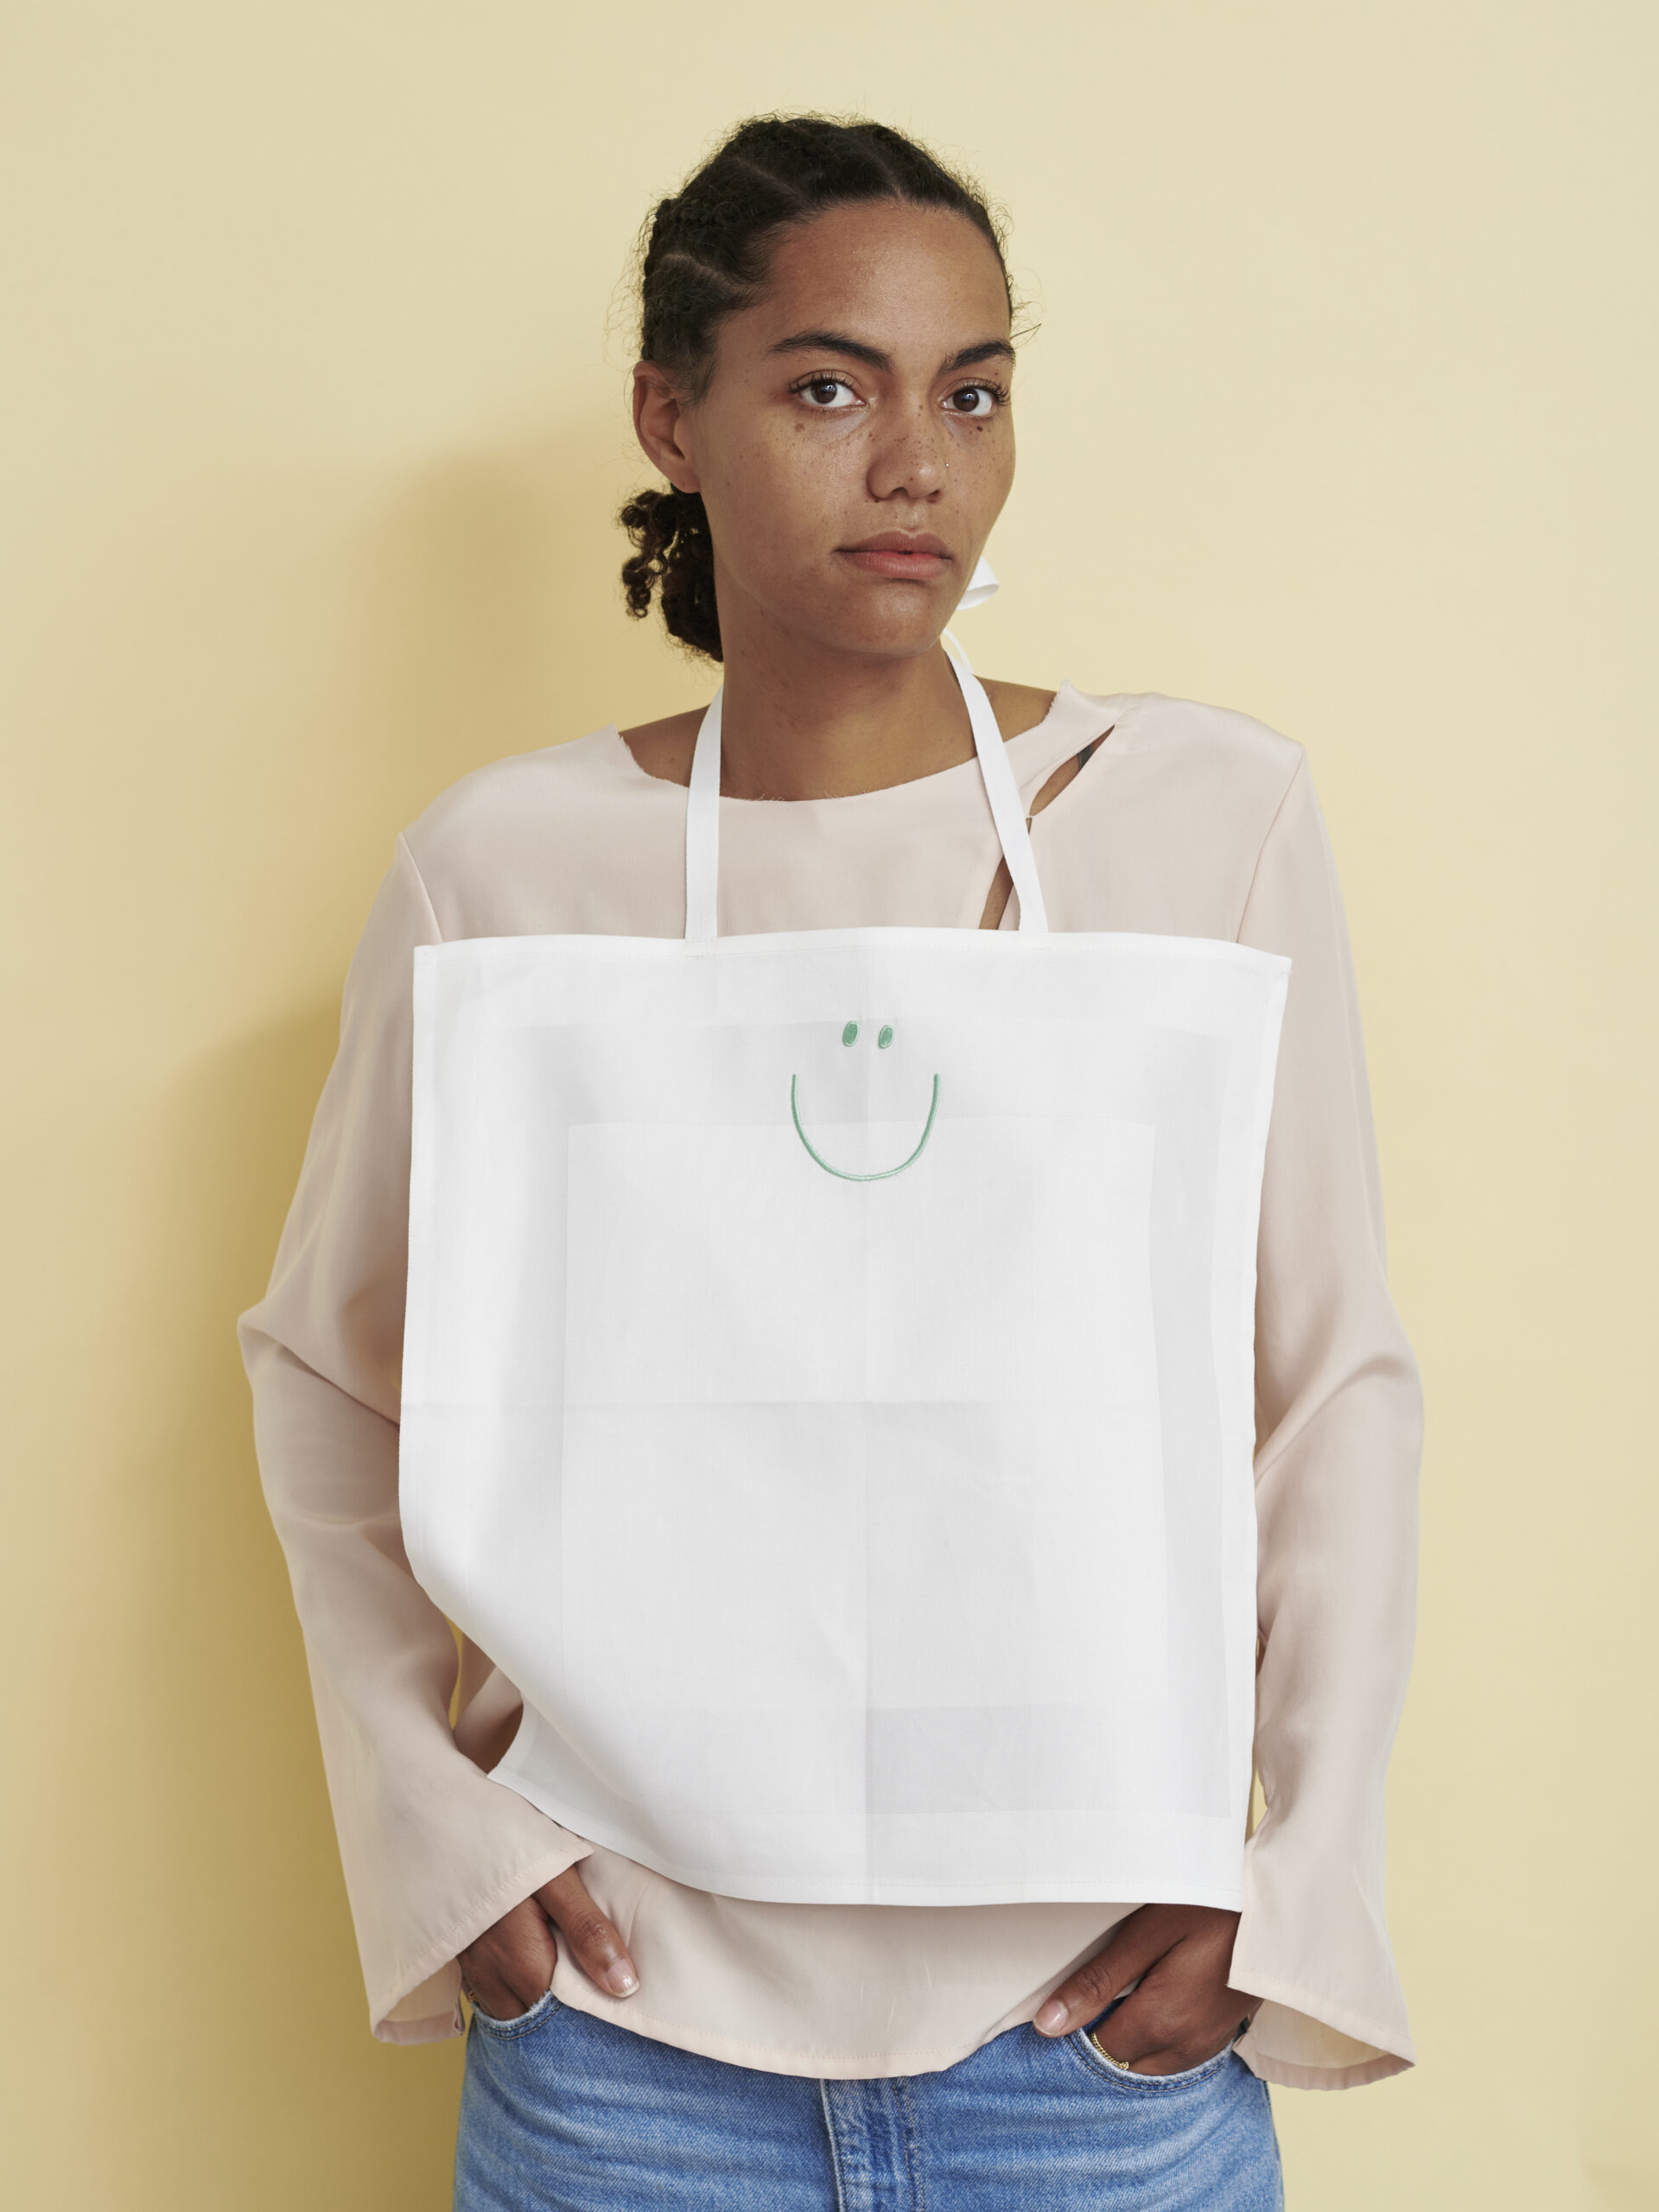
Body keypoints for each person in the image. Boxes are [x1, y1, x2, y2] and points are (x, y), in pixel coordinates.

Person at [239, 114, 1421, 2211]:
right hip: (626, 2058)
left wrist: (1296, 1873)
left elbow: (1330, 1386)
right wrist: (435, 1827)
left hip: (1091, 2060)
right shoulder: (502, 873)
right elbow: (328, 1372)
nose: (916, 465)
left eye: (972, 391)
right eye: (825, 388)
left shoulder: (1202, 819)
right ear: (668, 419)